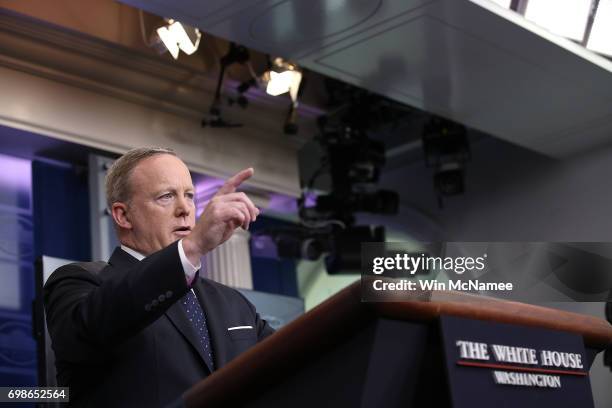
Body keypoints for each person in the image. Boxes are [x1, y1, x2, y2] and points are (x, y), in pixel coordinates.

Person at [44, 147, 274, 407]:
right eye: (166, 196)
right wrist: (192, 247)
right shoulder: (80, 282)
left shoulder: (233, 302)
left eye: (189, 196)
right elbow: (95, 325)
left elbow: (291, 362)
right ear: (123, 215)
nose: (185, 209)